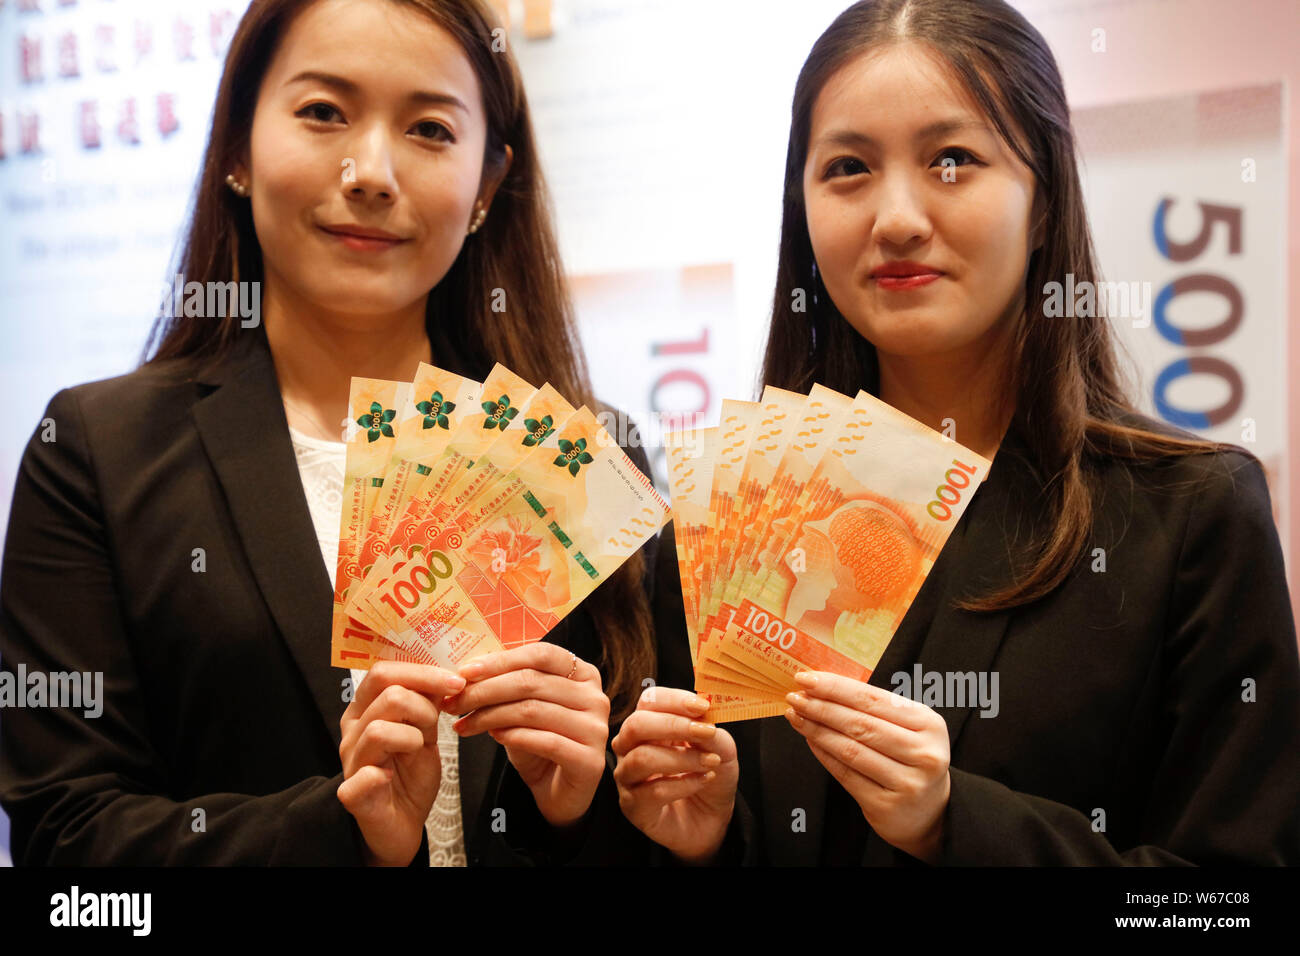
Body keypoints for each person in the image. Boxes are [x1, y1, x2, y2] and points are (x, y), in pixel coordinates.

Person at [612, 0, 1300, 865]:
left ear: (1044, 202)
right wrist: (702, 844)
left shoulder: (1192, 514)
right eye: (849, 168)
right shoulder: (725, 529)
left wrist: (956, 825)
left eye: (952, 160)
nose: (896, 217)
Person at [0, 0, 662, 866]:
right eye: (323, 112)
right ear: (237, 143)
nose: (372, 171)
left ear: (488, 185)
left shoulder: (584, 452)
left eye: (430, 128)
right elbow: (65, 839)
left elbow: (665, 815)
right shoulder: (97, 451)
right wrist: (342, 835)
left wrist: (579, 812)